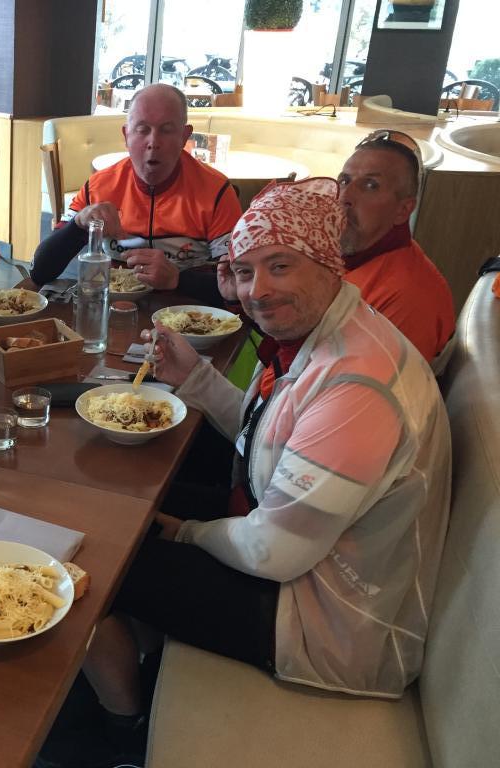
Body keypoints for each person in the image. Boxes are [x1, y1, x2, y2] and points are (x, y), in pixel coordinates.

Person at [66, 178, 452, 766]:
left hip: (327, 622)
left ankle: (124, 735)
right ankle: (133, 660)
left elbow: (273, 552)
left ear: (328, 263)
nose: (258, 290)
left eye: (280, 266)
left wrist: (184, 531)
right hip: (302, 557)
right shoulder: (334, 333)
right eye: (244, 272)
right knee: (115, 505)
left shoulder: (359, 385)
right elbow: (272, 437)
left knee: (103, 561)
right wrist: (195, 377)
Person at [30, 83, 242, 304]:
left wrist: (178, 279)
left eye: (166, 130)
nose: (153, 143)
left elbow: (238, 288)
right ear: (126, 135)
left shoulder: (217, 192)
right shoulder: (99, 187)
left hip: (190, 315)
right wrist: (77, 224)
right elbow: (39, 272)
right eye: (142, 129)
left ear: (184, 136)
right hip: (112, 311)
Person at [338, 128, 455, 368]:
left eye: (370, 185)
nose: (344, 197)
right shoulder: (347, 255)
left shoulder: (409, 299)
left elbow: (368, 387)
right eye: (344, 181)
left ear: (403, 210)